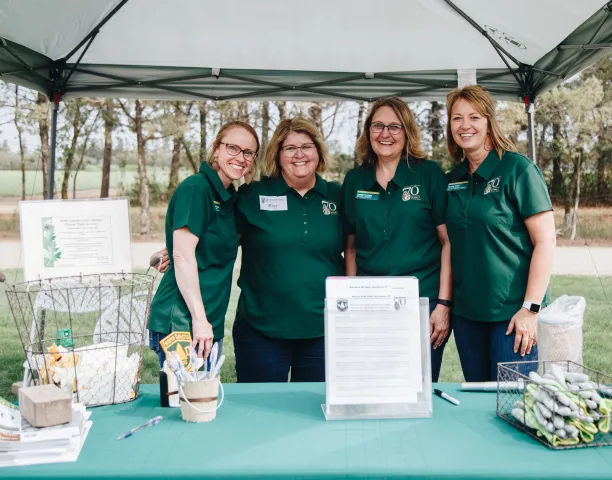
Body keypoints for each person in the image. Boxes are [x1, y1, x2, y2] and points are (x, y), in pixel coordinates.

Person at [444, 85, 556, 382]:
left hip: (512, 316)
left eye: (474, 117)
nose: (465, 126)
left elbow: (545, 241)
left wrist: (530, 309)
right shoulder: (451, 180)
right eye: (457, 118)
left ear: (489, 122)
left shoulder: (517, 169)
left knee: (511, 406)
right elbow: (448, 244)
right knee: (479, 404)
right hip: (467, 317)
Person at [341, 96, 451, 383]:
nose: (385, 134)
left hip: (421, 303)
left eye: (394, 126)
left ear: (407, 132)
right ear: (368, 131)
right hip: (370, 302)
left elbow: (447, 242)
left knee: (417, 390)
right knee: (372, 386)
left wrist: (443, 304)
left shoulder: (429, 175)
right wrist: (351, 300)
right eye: (378, 126)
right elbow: (350, 247)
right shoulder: (354, 180)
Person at [232, 117, 344, 383]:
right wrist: (177, 247)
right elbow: (219, 240)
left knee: (316, 414)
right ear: (278, 155)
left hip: (324, 331)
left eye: (307, 146)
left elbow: (359, 248)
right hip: (261, 329)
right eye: (290, 148)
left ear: (318, 151)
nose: (299, 154)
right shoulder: (253, 195)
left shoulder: (338, 196)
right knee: (260, 414)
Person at [147, 121, 259, 367]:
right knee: (187, 402)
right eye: (233, 148)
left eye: (248, 152)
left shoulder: (229, 197)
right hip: (183, 321)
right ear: (216, 149)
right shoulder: (197, 188)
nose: (240, 157)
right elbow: (184, 256)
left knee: (202, 402)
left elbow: (207, 243)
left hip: (208, 322)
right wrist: (199, 319)